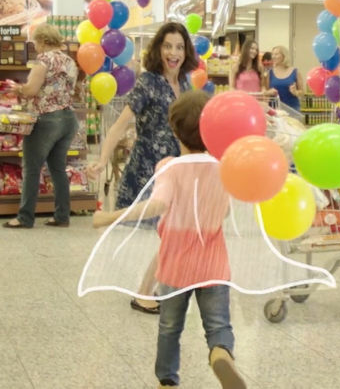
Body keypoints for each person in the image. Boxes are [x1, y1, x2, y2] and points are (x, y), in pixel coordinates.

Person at [92, 91, 246, 389]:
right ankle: (220, 353)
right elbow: (225, 212)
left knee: (170, 327)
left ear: (174, 130)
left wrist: (111, 217)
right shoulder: (222, 168)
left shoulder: (170, 167)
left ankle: (167, 381)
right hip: (213, 263)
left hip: (176, 263)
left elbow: (157, 206)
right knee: (218, 325)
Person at [87, 22, 197, 313]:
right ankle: (145, 291)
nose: (173, 53)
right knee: (172, 232)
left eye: (179, 47)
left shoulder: (185, 83)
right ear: (158, 50)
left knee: (177, 232)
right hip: (150, 169)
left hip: (178, 167)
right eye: (167, 46)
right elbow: (121, 124)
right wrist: (100, 159)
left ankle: (151, 288)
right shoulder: (149, 82)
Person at [3, 24, 79, 229]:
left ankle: (25, 217)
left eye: (36, 42)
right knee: (58, 169)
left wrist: (17, 88)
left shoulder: (44, 60)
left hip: (46, 119)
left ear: (44, 41)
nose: (35, 46)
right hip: (68, 119)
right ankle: (62, 215)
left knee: (32, 168)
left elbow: (31, 90)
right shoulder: (70, 61)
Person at [267, 45, 302, 111]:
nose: (273, 56)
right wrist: (269, 92)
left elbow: (302, 91)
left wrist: (295, 92)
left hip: (293, 109)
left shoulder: (295, 72)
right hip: (275, 110)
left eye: (276, 54)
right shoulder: (269, 73)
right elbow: (265, 92)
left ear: (284, 56)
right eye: (272, 54)